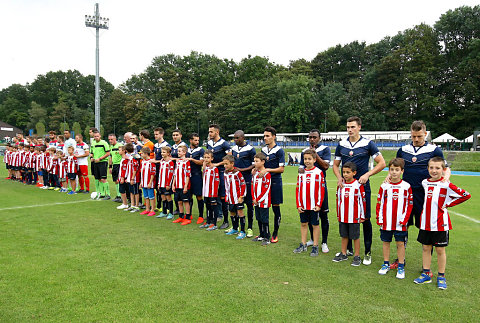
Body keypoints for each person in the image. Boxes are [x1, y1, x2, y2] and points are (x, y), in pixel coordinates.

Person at [333, 116, 386, 265]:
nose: (350, 130)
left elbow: (381, 163)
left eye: (353, 127)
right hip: (345, 189)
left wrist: (367, 174)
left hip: (362, 188)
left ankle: (367, 252)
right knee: (346, 218)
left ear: (359, 127)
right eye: (348, 127)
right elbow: (336, 165)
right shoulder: (341, 144)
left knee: (365, 219)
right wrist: (339, 178)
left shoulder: (368, 143)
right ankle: (348, 250)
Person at [413, 157, 471, 290]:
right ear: (428, 169)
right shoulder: (424, 182)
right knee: (426, 248)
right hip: (425, 222)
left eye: (437, 168)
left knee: (440, 250)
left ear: (443, 170)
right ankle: (426, 273)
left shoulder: (446, 184)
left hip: (440, 223)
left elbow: (466, 195)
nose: (434, 170)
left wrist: (448, 204)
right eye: (431, 168)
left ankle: (441, 276)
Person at [376, 158, 413, 279]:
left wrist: (405, 219)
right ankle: (386, 264)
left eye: (397, 170)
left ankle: (401, 266)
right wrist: (379, 218)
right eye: (391, 169)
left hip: (400, 223)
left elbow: (409, 204)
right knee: (386, 242)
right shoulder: (384, 186)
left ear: (402, 171)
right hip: (386, 222)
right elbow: (379, 203)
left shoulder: (406, 186)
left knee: (400, 243)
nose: (394, 172)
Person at [299, 129, 331, 253]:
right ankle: (312, 239)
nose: (312, 139)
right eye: (310, 137)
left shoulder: (325, 149)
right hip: (308, 189)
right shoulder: (304, 152)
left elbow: (326, 166)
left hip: (320, 187)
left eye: (314, 137)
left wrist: (315, 154)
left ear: (319, 138)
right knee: (309, 212)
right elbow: (301, 169)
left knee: (323, 214)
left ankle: (324, 242)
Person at [332, 162, 366, 267]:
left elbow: (362, 201)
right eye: (344, 172)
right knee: (344, 235)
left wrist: (362, 216)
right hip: (343, 216)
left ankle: (357, 256)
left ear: (354, 173)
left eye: (348, 172)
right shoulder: (341, 185)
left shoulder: (358, 185)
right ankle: (343, 253)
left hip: (354, 217)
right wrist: (338, 214)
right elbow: (338, 201)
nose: (345, 174)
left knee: (355, 237)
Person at [293, 149, 326, 257]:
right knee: (303, 224)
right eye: (305, 159)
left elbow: (321, 190)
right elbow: (298, 189)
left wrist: (318, 204)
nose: (307, 161)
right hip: (303, 205)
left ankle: (315, 245)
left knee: (315, 225)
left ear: (314, 160)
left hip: (314, 206)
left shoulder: (318, 172)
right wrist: (298, 204)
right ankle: (303, 244)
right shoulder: (301, 172)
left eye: (309, 159)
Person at [257, 126, 285, 243]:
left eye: (267, 136)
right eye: (264, 136)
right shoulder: (263, 150)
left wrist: (267, 170)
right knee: (263, 207)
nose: (265, 138)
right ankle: (263, 233)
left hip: (275, 182)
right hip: (264, 183)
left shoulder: (279, 151)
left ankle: (275, 233)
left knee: (275, 207)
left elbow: (281, 169)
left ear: (274, 137)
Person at [206, 124, 232, 230]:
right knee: (212, 195)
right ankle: (214, 217)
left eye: (211, 132)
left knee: (222, 195)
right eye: (209, 131)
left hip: (221, 171)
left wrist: (218, 164)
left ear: (217, 132)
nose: (209, 133)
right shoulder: (209, 143)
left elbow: (229, 157)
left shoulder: (224, 143)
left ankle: (225, 220)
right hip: (211, 172)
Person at [231, 130, 256, 238]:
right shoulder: (234, 149)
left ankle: (249, 227)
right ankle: (235, 227)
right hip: (236, 180)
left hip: (247, 179)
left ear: (243, 138)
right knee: (236, 203)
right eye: (234, 138)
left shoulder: (250, 149)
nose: (235, 140)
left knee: (249, 204)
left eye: (237, 138)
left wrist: (242, 169)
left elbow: (254, 164)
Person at [223, 155, 247, 240]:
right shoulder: (225, 173)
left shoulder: (237, 172)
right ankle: (234, 228)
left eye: (227, 164)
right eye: (224, 164)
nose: (225, 166)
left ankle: (243, 231)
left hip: (238, 197)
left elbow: (243, 184)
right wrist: (226, 195)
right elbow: (226, 185)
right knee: (232, 212)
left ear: (232, 163)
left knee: (240, 212)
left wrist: (241, 196)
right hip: (230, 197)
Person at [252, 152, 272, 246]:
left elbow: (266, 189)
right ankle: (261, 234)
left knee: (264, 219)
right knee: (259, 218)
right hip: (256, 201)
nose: (255, 163)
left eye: (257, 161)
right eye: (254, 161)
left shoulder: (266, 174)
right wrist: (254, 198)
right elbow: (252, 187)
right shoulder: (255, 173)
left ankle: (267, 237)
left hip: (263, 201)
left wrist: (258, 199)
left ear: (263, 162)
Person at [186, 133, 205, 224]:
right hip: (187, 176)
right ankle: (189, 214)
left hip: (197, 175)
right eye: (195, 140)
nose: (197, 142)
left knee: (199, 196)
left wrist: (192, 160)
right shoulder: (186, 150)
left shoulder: (201, 150)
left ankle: (201, 216)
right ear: (190, 140)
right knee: (189, 195)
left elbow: (201, 162)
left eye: (198, 140)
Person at [172, 146, 192, 225]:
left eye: (180, 151)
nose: (178, 152)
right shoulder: (177, 161)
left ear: (184, 152)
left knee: (186, 202)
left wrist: (186, 186)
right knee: (179, 202)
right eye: (178, 151)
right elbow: (175, 174)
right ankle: (181, 216)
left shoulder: (186, 162)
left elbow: (188, 175)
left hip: (183, 186)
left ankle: (187, 217)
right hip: (177, 186)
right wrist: (173, 184)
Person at [152, 127, 171, 212]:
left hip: (164, 169)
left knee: (165, 189)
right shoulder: (155, 145)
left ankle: (167, 208)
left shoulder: (166, 145)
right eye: (154, 134)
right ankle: (159, 206)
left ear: (161, 134)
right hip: (157, 168)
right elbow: (156, 157)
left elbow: (168, 159)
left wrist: (156, 161)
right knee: (158, 187)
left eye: (157, 134)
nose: (155, 136)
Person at [201, 150, 220, 230]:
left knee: (213, 207)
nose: (206, 159)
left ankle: (214, 223)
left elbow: (217, 181)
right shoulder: (205, 168)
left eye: (208, 157)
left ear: (212, 158)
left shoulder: (214, 168)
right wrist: (203, 168)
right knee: (208, 207)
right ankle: (208, 221)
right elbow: (203, 177)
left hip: (212, 192)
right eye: (205, 157)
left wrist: (214, 192)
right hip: (206, 191)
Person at [90, 131, 111, 200]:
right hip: (95, 163)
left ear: (100, 136)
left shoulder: (104, 143)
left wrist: (100, 158)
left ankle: (108, 194)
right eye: (95, 136)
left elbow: (108, 153)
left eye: (97, 136)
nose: (96, 137)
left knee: (103, 178)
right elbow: (91, 152)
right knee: (98, 179)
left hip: (103, 162)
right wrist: (91, 158)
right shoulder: (93, 143)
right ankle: (102, 193)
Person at [155, 146, 175, 219]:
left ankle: (171, 213)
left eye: (164, 152)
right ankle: (164, 212)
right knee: (163, 198)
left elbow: (171, 174)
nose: (162, 153)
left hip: (167, 184)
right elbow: (160, 173)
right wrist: (159, 183)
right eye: (161, 152)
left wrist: (168, 184)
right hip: (161, 183)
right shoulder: (162, 161)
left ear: (168, 153)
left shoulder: (170, 162)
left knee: (168, 198)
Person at [139, 147, 156, 216]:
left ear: (146, 154)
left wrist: (150, 182)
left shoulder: (151, 162)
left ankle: (152, 209)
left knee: (151, 197)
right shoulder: (143, 161)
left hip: (149, 183)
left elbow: (153, 173)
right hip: (144, 182)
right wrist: (141, 182)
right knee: (146, 196)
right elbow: (142, 173)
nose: (141, 155)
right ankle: (147, 209)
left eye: (142, 153)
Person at [124, 143, 140, 213]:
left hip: (134, 178)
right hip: (130, 177)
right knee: (131, 191)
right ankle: (132, 205)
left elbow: (135, 168)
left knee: (136, 192)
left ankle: (137, 206)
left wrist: (132, 178)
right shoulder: (130, 157)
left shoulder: (134, 157)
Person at [108, 134, 123, 202]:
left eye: (111, 139)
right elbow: (110, 157)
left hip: (120, 164)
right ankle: (118, 195)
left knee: (119, 180)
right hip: (114, 166)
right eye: (109, 139)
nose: (110, 141)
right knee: (115, 181)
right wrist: (110, 167)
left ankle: (121, 196)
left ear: (115, 139)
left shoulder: (120, 146)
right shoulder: (111, 147)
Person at [116, 145, 130, 210]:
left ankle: (125, 204)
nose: (118, 151)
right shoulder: (123, 158)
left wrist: (122, 178)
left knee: (122, 190)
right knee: (124, 190)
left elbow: (124, 169)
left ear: (124, 151)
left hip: (124, 178)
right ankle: (126, 203)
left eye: (119, 150)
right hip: (123, 177)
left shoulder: (125, 159)